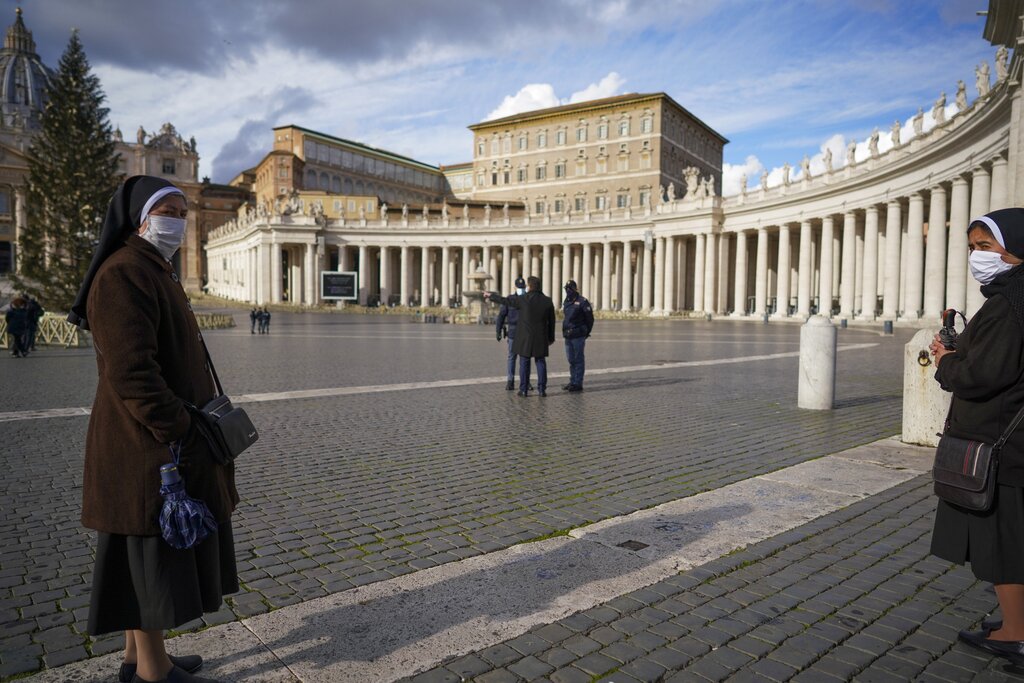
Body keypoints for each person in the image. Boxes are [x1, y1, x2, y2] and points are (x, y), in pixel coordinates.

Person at [67, 175, 238, 683]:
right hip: (145, 444)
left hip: (150, 441)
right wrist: (181, 427)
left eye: (185, 213)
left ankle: (134, 660)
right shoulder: (124, 273)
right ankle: (153, 673)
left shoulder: (151, 268)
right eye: (169, 212)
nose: (179, 222)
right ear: (140, 216)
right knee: (149, 558)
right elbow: (132, 373)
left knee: (139, 559)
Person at [929, 208, 1024, 666]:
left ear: (1016, 249)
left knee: (1005, 543)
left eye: (986, 247)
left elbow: (984, 375)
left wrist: (946, 361)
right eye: (972, 247)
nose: (977, 256)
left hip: (1000, 443)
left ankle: (1016, 633)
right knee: (1011, 536)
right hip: (1012, 438)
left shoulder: (1008, 304)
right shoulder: (1012, 297)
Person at [486, 276, 555, 397]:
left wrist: (491, 296)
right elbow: (552, 322)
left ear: (530, 286)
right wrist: (551, 337)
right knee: (540, 362)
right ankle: (542, 389)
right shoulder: (547, 301)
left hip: (525, 337)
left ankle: (523, 389)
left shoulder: (523, 299)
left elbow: (506, 301)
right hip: (541, 336)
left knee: (524, 362)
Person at [561, 280, 594, 392]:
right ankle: (572, 381)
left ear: (575, 289)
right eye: (566, 289)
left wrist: (586, 332)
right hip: (568, 335)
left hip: (578, 335)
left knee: (578, 359)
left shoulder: (583, 301)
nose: (568, 291)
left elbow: (590, 319)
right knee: (571, 359)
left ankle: (578, 383)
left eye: (570, 288)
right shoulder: (566, 301)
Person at [495, 277, 526, 391]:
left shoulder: (528, 299)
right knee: (512, 357)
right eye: (519, 287)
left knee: (524, 358)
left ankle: (525, 381)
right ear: (515, 287)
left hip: (525, 332)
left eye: (522, 287)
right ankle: (510, 381)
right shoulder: (510, 299)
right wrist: (498, 330)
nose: (521, 289)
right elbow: (501, 315)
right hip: (513, 331)